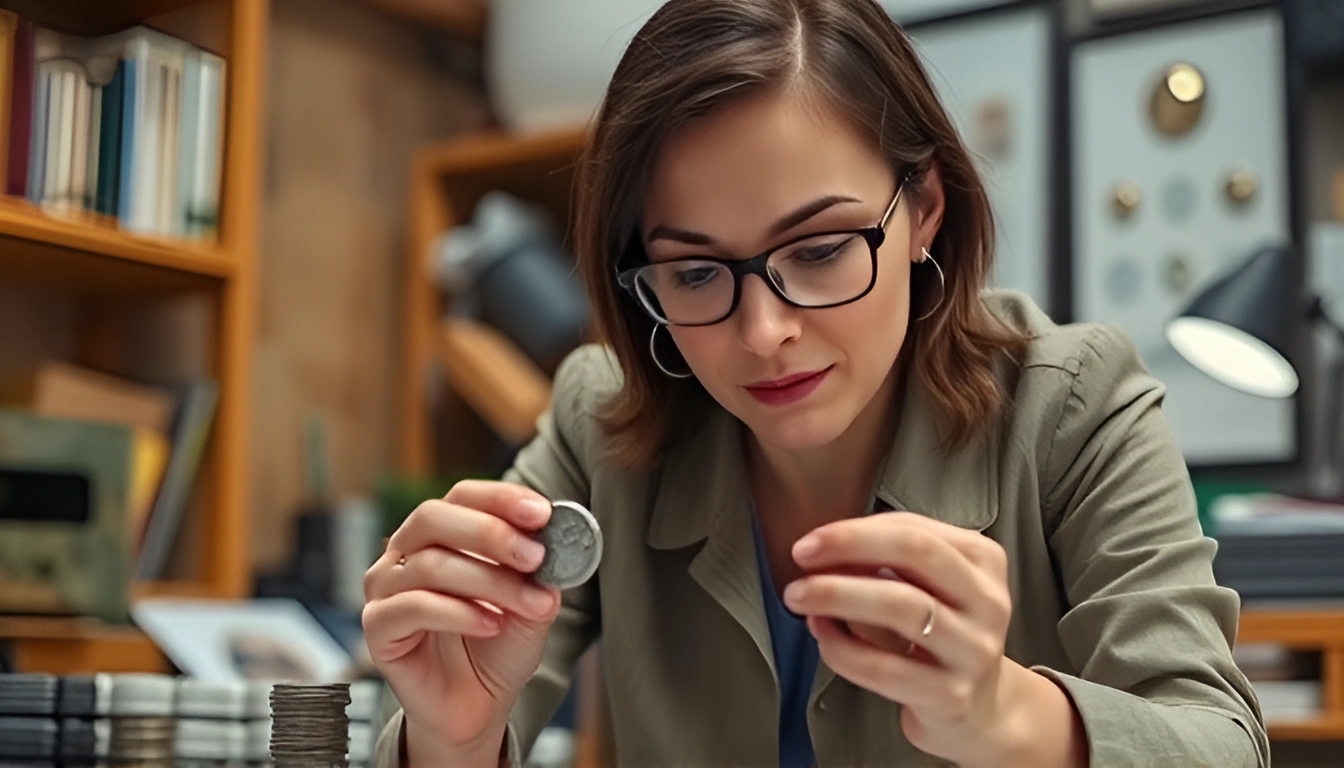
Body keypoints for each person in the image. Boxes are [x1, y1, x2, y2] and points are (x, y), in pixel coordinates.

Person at [362, 1, 1269, 765]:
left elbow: (1223, 743)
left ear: (923, 211)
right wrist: (450, 741)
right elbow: (462, 713)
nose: (765, 333)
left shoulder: (1076, 403)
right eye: (694, 272)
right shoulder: (599, 422)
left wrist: (1005, 715)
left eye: (823, 249)